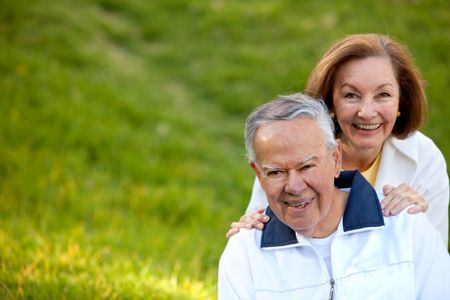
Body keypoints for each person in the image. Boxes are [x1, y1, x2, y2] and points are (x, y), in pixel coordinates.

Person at [218, 94, 450, 299]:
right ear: (258, 174)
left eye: (307, 166)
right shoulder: (244, 254)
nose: (295, 186)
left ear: (336, 158)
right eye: (276, 172)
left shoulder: (406, 228)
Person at [227, 33, 449, 246]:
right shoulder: (290, 148)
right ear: (330, 101)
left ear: (402, 100)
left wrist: (422, 222)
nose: (367, 112)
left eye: (383, 95)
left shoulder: (424, 158)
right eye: (351, 95)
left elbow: (434, 262)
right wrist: (250, 229)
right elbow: (260, 228)